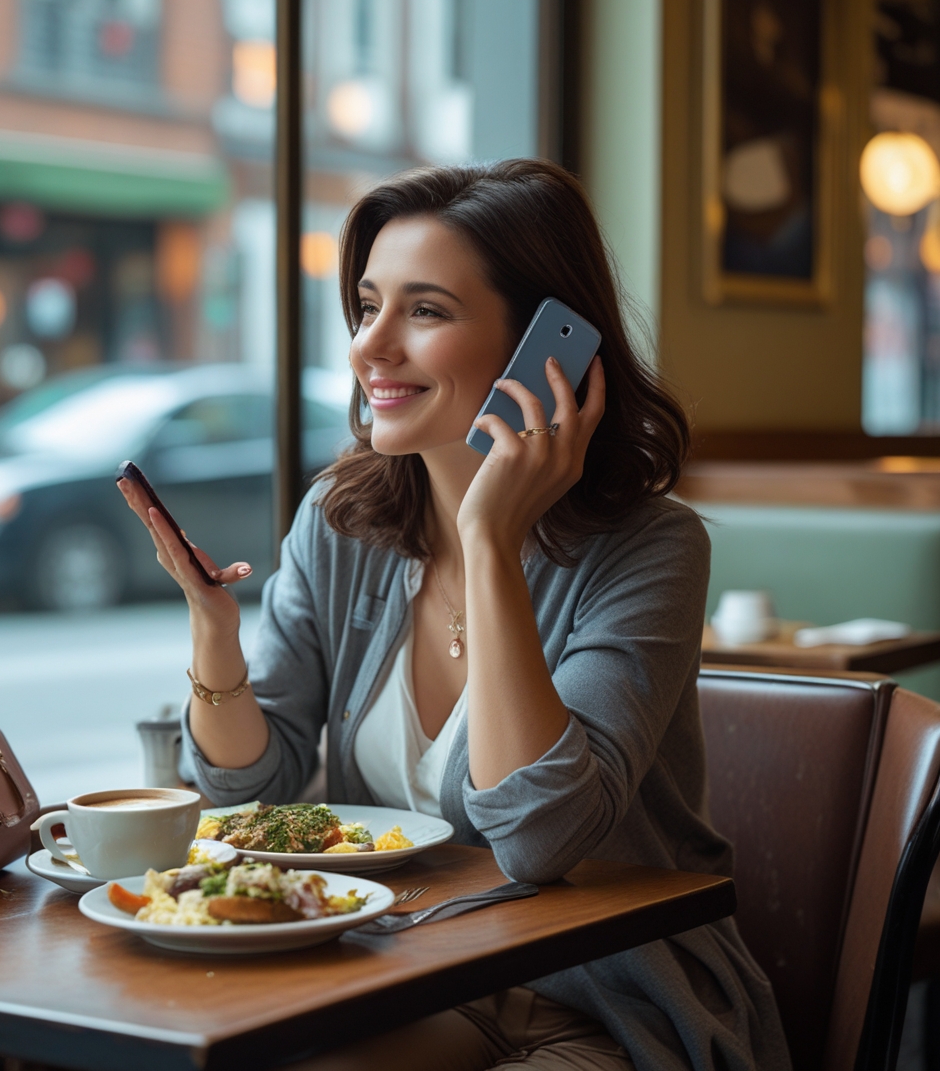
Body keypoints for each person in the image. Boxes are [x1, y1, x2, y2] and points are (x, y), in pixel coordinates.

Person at [118, 159, 791, 1071]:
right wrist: (214, 632)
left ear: (545, 351)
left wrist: (488, 541)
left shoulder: (651, 548)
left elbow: (543, 837)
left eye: (425, 311)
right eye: (367, 306)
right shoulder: (339, 521)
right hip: (418, 973)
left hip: (614, 997)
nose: (370, 346)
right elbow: (253, 794)